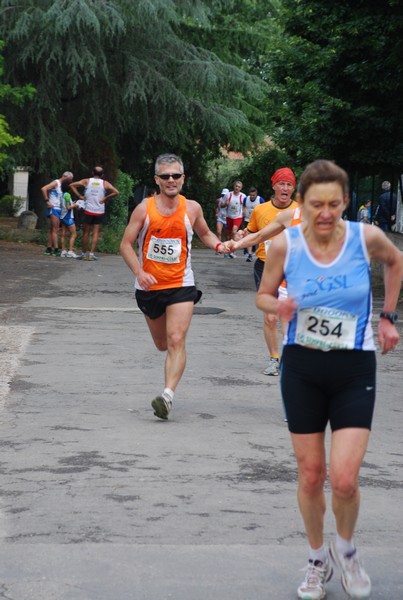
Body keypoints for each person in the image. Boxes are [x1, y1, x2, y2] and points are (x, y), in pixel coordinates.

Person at [256, 159, 403, 600]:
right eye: (316, 204)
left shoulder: (366, 238)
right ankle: (317, 559)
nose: (324, 213)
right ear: (302, 202)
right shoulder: (287, 245)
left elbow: (397, 262)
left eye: (334, 204)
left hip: (354, 366)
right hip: (301, 366)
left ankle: (347, 549)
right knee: (310, 473)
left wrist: (388, 316)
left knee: (344, 479)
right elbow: (262, 294)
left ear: (345, 202)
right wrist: (276, 307)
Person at [120, 153, 226, 420]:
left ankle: (167, 396)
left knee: (177, 339)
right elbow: (125, 244)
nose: (171, 180)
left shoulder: (192, 208)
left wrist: (218, 244)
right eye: (165, 176)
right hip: (149, 287)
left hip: (181, 284)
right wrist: (140, 271)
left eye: (176, 176)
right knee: (162, 344)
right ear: (157, 179)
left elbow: (204, 232)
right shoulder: (144, 209)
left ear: (183, 179)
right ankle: (169, 376)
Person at [246, 167, 298, 375]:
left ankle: (290, 357)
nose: (285, 188)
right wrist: (237, 239)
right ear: (273, 185)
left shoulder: (300, 211)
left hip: (291, 270)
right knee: (270, 317)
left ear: (293, 188)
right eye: (281, 184)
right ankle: (274, 359)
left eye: (289, 185)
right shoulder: (260, 210)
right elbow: (252, 233)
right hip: (265, 267)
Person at [70, 166, 119, 260]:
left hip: (88, 210)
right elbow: (116, 192)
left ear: (92, 172)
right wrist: (105, 198)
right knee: (96, 232)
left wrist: (79, 196)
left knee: (86, 233)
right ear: (102, 175)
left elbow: (72, 185)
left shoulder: (87, 181)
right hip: (99, 210)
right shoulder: (105, 183)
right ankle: (92, 254)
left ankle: (83, 254)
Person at [41, 171, 74, 256]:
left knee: (53, 229)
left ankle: (49, 248)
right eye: (69, 179)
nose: (70, 181)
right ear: (65, 177)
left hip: (60, 208)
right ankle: (56, 249)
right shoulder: (56, 182)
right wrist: (47, 201)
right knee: (56, 229)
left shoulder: (63, 186)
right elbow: (44, 188)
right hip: (54, 208)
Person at [222, 180, 246, 258]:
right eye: (236, 186)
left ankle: (232, 251)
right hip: (229, 216)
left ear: (241, 188)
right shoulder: (229, 195)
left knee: (234, 231)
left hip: (238, 217)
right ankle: (227, 249)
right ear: (234, 186)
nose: (237, 188)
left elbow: (245, 206)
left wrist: (244, 212)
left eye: (239, 187)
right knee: (228, 234)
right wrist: (225, 204)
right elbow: (221, 205)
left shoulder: (243, 196)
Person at [242, 187, 265, 261]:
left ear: (256, 194)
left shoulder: (260, 200)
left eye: (253, 195)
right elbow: (244, 206)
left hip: (258, 221)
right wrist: (244, 211)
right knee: (249, 236)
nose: (252, 196)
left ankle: (260, 252)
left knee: (259, 237)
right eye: (251, 195)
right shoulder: (246, 199)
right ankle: (249, 254)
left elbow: (265, 209)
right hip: (248, 220)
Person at [59, 179, 79, 258]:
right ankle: (70, 251)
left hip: (62, 216)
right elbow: (68, 207)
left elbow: (64, 205)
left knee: (63, 234)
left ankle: (63, 251)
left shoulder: (62, 195)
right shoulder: (68, 195)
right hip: (68, 217)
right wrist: (74, 205)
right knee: (74, 234)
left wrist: (72, 203)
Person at [215, 188, 229, 253]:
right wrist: (217, 212)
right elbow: (217, 207)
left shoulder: (230, 201)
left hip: (227, 218)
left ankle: (226, 248)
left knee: (227, 235)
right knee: (218, 232)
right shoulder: (219, 200)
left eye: (225, 195)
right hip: (220, 217)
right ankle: (219, 247)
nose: (224, 196)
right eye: (223, 194)